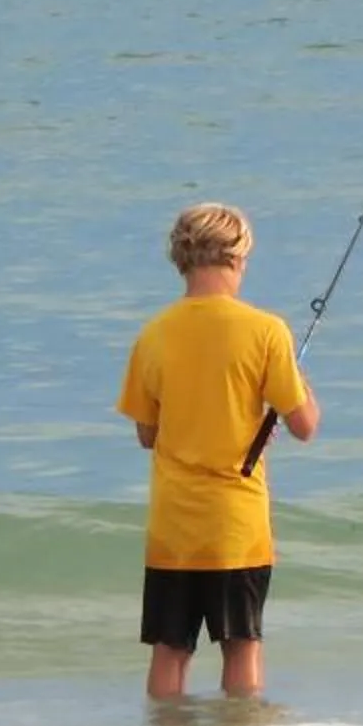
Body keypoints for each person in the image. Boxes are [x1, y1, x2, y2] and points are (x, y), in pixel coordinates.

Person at [116, 202, 320, 700]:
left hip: (173, 528)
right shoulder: (266, 330)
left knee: (170, 649)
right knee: (242, 644)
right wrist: (293, 382)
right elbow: (305, 424)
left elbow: (147, 434)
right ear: (237, 258)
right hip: (236, 526)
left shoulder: (154, 333)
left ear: (182, 259)